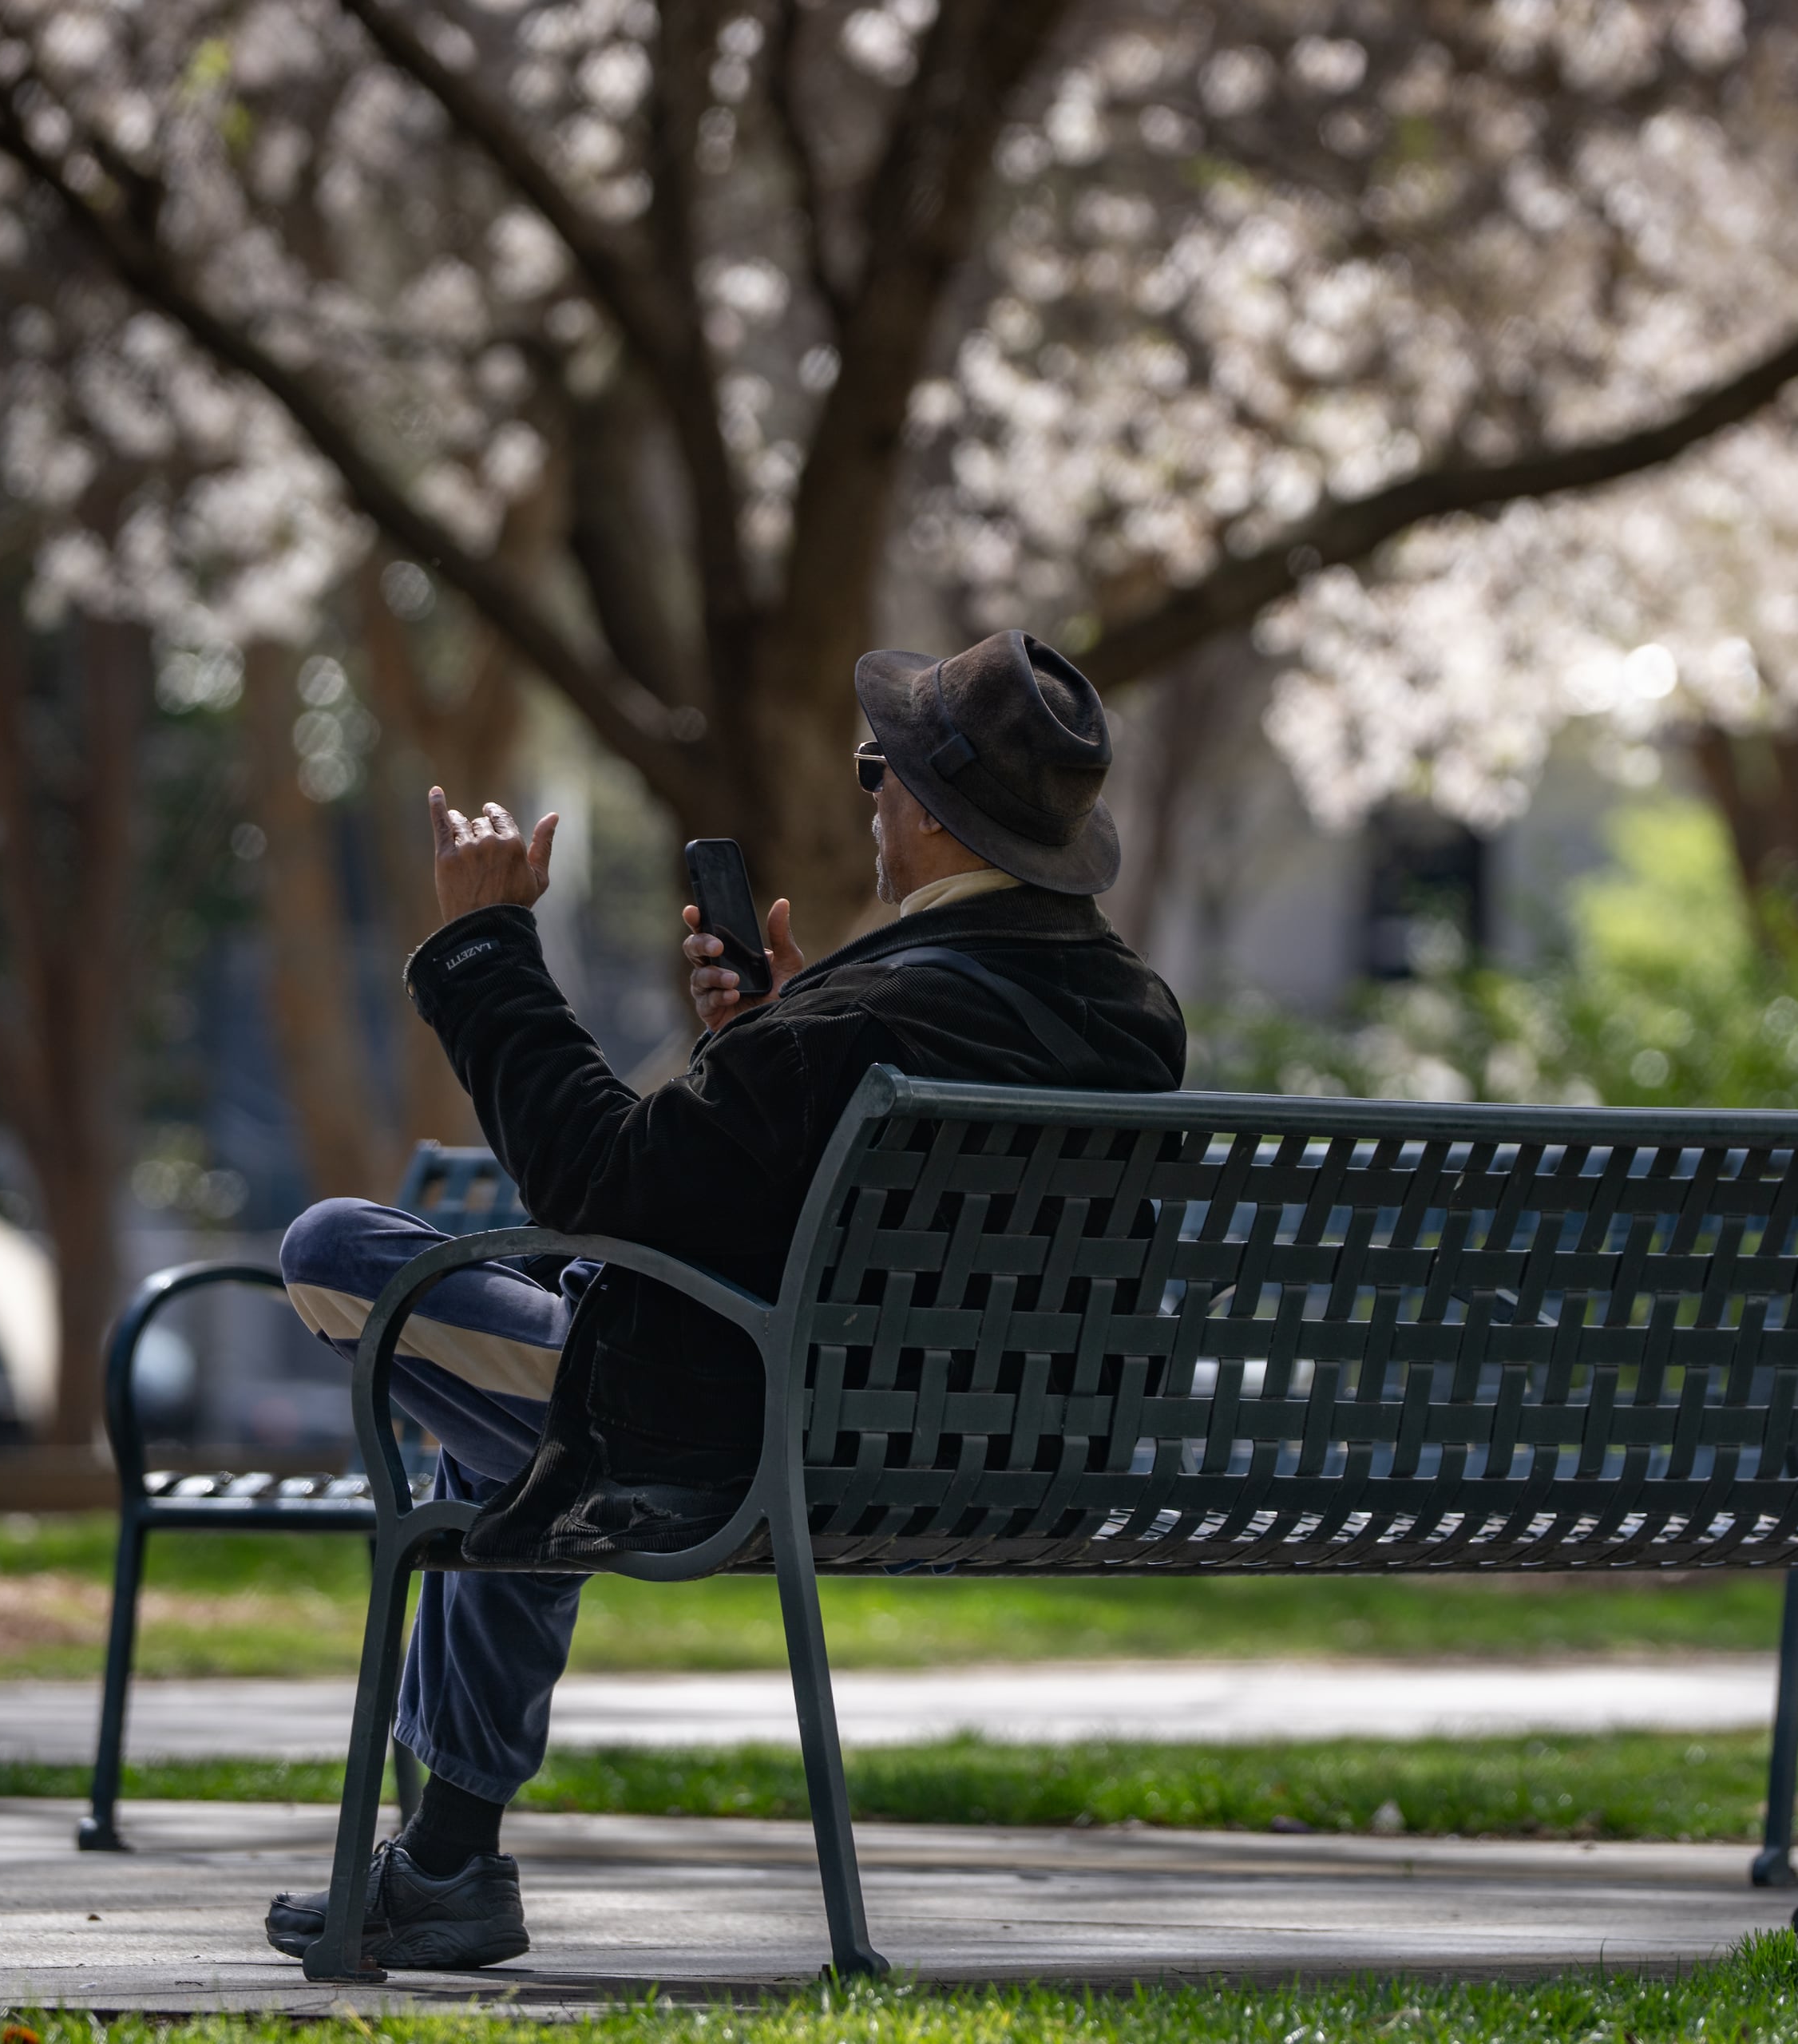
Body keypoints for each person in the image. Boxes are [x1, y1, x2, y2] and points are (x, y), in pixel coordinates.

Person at [262, 631, 1185, 1971]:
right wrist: (765, 1033)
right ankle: (447, 1863)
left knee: (346, 1251)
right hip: (1017, 1459)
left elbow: (601, 1181)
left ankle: (449, 1859)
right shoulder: (1132, 1020)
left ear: (926, 811)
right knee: (513, 1413)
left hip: (748, 1448)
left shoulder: (854, 1025)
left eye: (881, 773)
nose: (870, 795)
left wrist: (485, 951)